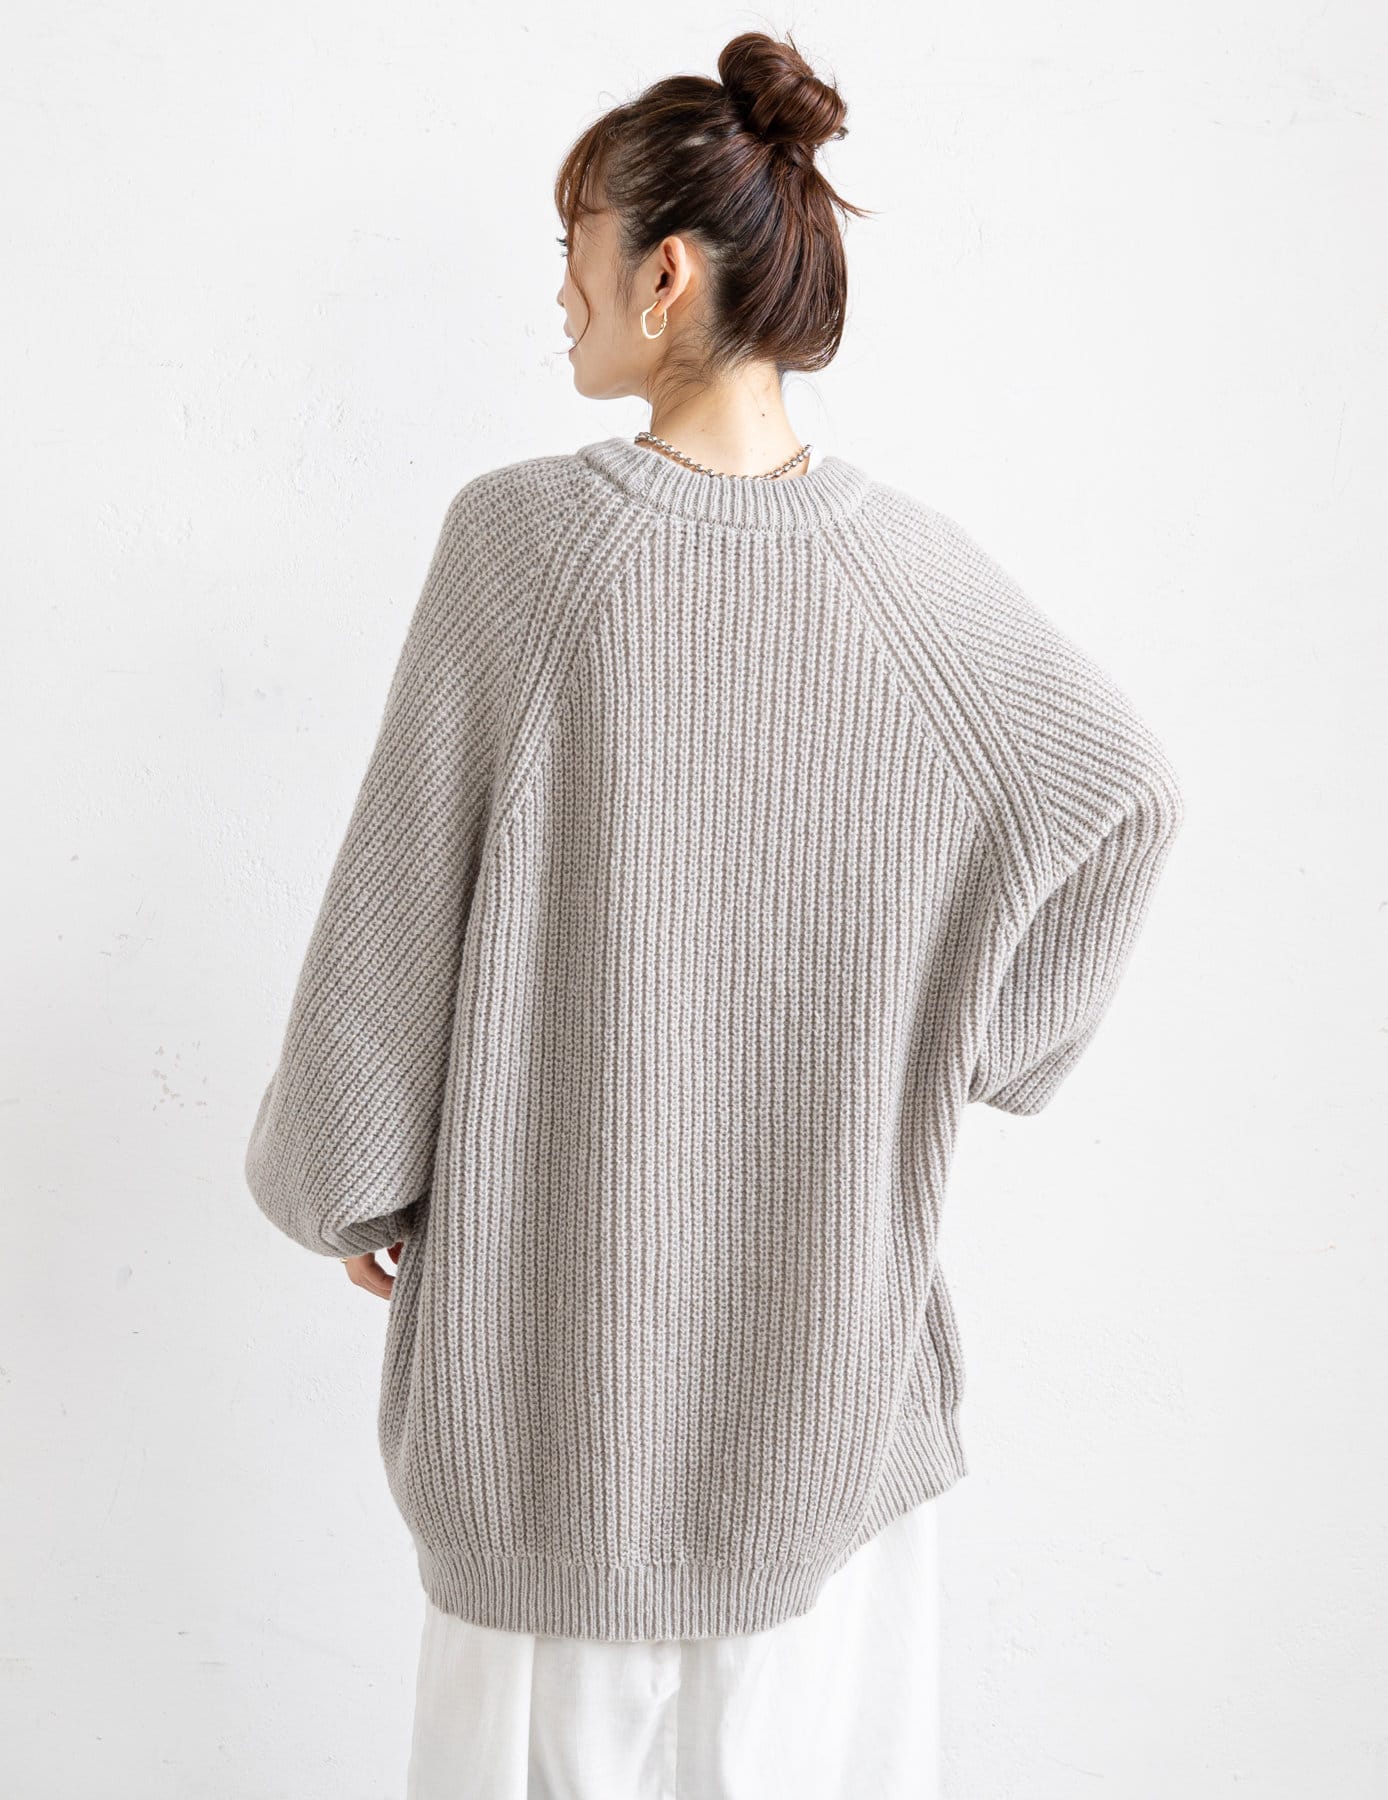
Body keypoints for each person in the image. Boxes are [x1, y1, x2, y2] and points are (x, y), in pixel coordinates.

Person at [243, 30, 1186, 1800]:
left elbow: (396, 918)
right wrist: (987, 1039)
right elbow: (1126, 794)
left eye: (574, 251)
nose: (561, 294)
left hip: (555, 1440)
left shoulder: (525, 551)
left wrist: (344, 1181)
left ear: (663, 273)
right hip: (830, 1437)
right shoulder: (917, 587)